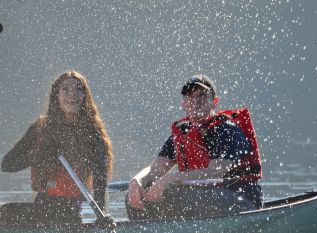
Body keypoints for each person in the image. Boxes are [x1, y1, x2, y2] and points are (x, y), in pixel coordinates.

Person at [126, 75, 263, 220]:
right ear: (183, 103)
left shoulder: (227, 130)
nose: (196, 101)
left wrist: (170, 179)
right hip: (200, 198)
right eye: (190, 96)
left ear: (214, 102)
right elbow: (155, 170)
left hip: (241, 201)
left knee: (176, 194)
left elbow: (215, 172)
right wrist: (136, 180)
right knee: (135, 196)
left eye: (203, 95)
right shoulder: (182, 133)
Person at [1, 70, 114, 224]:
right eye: (65, 89)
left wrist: (102, 216)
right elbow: (7, 165)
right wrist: (40, 154)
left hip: (68, 212)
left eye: (78, 89)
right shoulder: (40, 128)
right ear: (57, 96)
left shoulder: (93, 135)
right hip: (41, 205)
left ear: (85, 97)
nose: (72, 94)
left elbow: (100, 183)